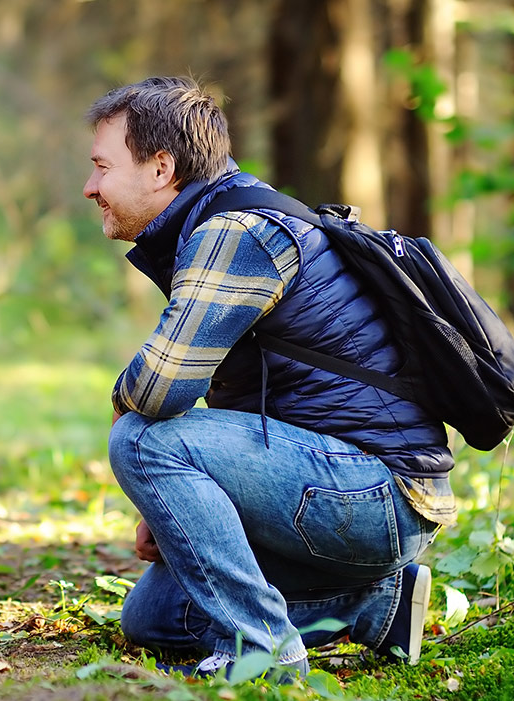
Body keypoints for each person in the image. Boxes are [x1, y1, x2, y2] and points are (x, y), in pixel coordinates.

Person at [83, 77, 454, 680]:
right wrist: (169, 510)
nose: (90, 186)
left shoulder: (238, 232)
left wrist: (132, 423)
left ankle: (261, 650)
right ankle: (377, 605)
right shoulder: (216, 220)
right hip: (342, 485)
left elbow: (159, 388)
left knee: (140, 439)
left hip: (373, 491)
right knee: (154, 617)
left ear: (160, 167)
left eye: (102, 166)